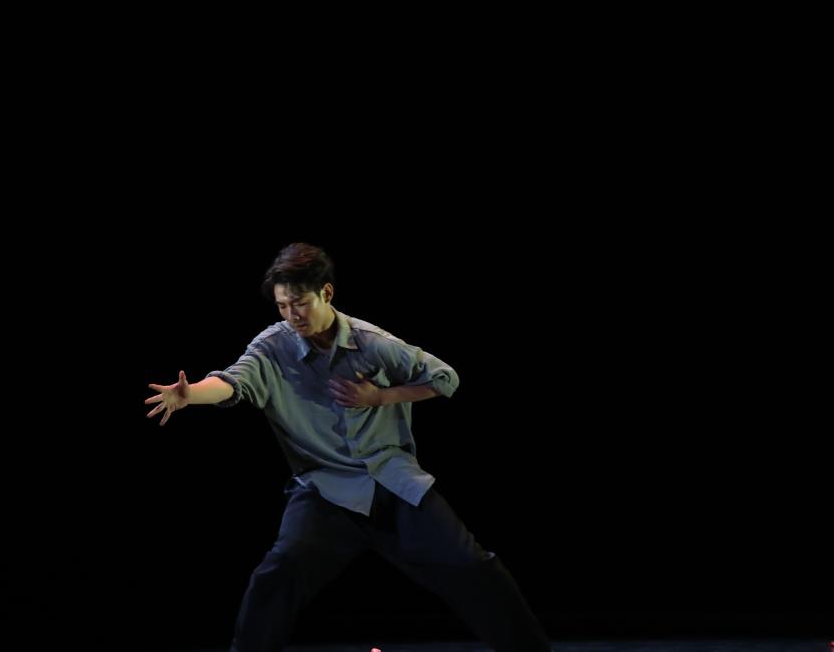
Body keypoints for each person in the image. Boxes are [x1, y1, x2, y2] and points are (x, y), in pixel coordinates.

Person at [145, 243, 550, 652]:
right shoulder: (273, 346)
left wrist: (380, 397)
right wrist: (191, 394)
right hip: (326, 489)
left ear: (326, 293)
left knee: (471, 565)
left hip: (391, 482)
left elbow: (445, 378)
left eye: (300, 303)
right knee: (280, 570)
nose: (292, 315)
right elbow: (235, 381)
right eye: (283, 306)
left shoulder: (371, 342)